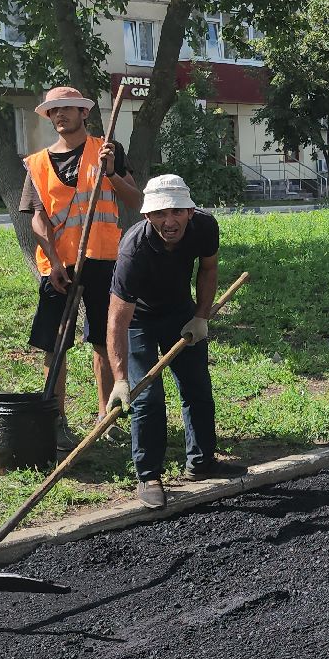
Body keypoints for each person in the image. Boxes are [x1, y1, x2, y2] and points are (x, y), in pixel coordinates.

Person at [20, 85, 143, 450]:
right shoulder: (37, 163)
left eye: (67, 108)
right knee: (55, 343)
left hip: (103, 259)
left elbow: (135, 199)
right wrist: (55, 261)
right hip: (59, 268)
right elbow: (38, 219)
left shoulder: (107, 150)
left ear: (83, 113)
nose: (60, 115)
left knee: (104, 340)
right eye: (53, 110)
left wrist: (112, 173)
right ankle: (56, 420)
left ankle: (108, 418)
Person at [104, 174, 226, 508]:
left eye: (176, 211)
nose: (169, 221)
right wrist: (119, 379)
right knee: (148, 398)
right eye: (159, 213)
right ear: (147, 215)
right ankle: (148, 476)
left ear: (190, 211)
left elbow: (209, 269)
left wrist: (200, 316)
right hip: (138, 321)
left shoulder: (205, 227)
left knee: (197, 386)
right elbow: (117, 320)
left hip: (180, 311)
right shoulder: (133, 250)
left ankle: (201, 462)